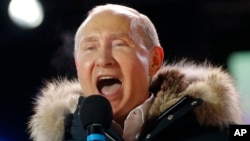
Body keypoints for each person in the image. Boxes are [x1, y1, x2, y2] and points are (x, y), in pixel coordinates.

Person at [28, 3, 242, 141]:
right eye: (90, 48)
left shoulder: (219, 134)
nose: (103, 59)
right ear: (77, 65)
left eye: (120, 44)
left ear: (154, 61)